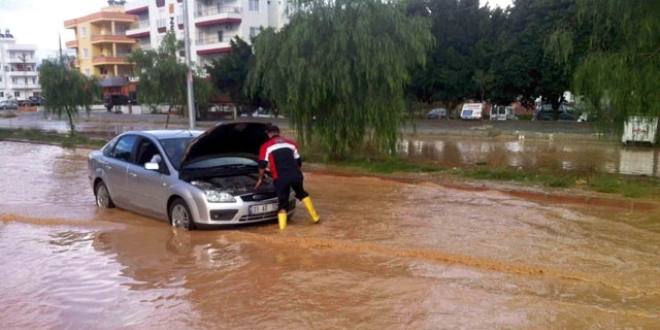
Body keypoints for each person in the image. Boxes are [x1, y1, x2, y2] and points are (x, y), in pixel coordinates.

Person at [254, 125, 320, 230]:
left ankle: (283, 231)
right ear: (278, 133)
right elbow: (298, 161)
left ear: (269, 134)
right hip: (296, 175)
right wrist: (296, 172)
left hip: (281, 178)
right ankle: (315, 217)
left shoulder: (266, 146)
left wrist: (260, 179)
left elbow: (262, 164)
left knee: (283, 203)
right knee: (302, 193)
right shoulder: (291, 144)